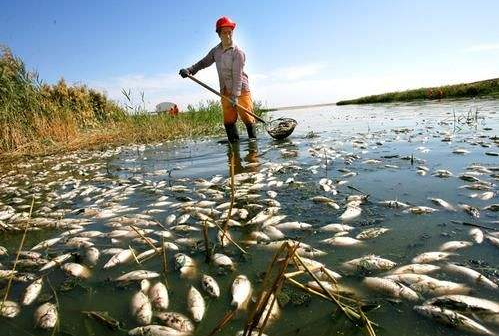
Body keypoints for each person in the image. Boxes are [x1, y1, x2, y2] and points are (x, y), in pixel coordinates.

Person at [179, 16, 256, 142]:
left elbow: (237, 77)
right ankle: (234, 149)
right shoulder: (216, 51)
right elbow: (203, 63)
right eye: (224, 33)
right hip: (225, 89)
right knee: (229, 120)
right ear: (219, 35)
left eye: (230, 33)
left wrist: (235, 96)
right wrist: (190, 70)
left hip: (241, 89)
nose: (228, 36)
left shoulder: (238, 53)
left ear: (233, 33)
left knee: (248, 118)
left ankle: (253, 148)